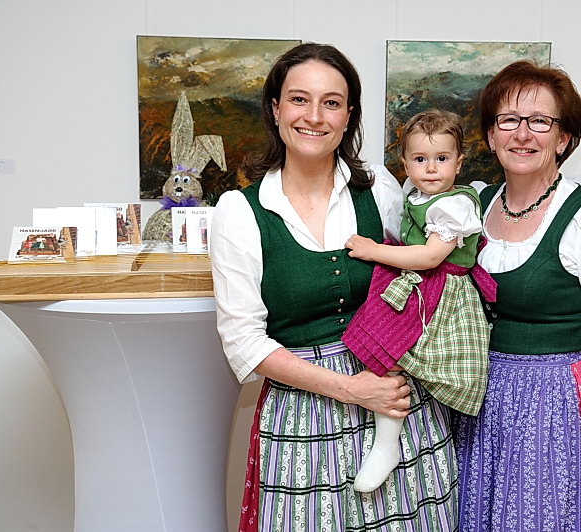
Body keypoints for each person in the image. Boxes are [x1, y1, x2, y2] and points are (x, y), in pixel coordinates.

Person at [210, 43, 457, 531]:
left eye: (331, 103)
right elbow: (244, 342)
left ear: (348, 116)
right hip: (304, 410)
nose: (314, 116)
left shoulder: (379, 190)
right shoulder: (239, 212)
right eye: (299, 99)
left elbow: (427, 273)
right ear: (275, 109)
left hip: (395, 401)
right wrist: (350, 389)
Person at [454, 60, 581, 532]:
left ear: (563, 138)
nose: (523, 134)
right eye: (508, 120)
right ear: (491, 135)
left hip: (554, 404)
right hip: (478, 402)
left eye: (540, 121)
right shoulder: (472, 206)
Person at [342, 109, 492, 493]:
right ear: (406, 164)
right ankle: (387, 441)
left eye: (442, 158)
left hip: (443, 293)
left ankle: (388, 445)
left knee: (392, 350)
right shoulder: (414, 195)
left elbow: (429, 256)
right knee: (380, 349)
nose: (431, 169)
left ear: (459, 162)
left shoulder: (454, 205)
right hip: (420, 284)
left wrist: (373, 250)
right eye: (420, 159)